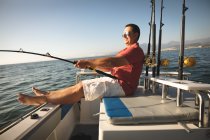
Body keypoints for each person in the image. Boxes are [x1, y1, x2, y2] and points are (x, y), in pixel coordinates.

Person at [18, 23, 145, 106]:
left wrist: (88, 62)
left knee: (80, 89)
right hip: (117, 81)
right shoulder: (126, 50)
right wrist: (91, 66)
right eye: (123, 34)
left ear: (135, 35)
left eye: (127, 34)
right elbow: (109, 67)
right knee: (79, 85)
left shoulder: (135, 50)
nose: (124, 36)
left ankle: (43, 100)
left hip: (123, 86)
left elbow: (112, 61)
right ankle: (48, 94)